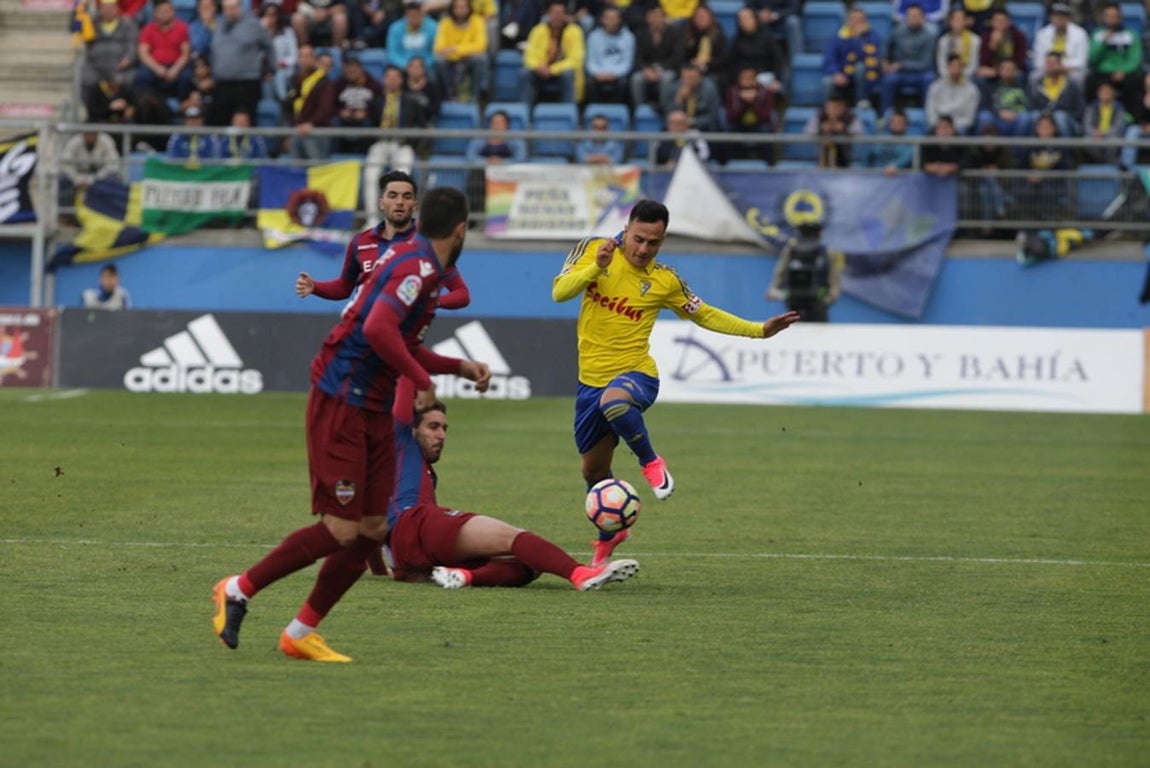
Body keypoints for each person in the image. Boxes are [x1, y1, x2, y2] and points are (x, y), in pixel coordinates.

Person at [212, 186, 490, 663]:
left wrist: (457, 367)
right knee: (341, 530)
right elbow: (377, 328)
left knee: (371, 529)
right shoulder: (416, 268)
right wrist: (422, 379)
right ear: (461, 229)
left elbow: (399, 338)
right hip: (341, 399)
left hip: (374, 405)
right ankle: (237, 588)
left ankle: (300, 632)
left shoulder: (422, 266)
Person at [550, 199, 800, 566]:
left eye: (654, 243)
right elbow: (560, 292)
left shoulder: (664, 280)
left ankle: (651, 462)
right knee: (593, 471)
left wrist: (759, 331)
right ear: (627, 228)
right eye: (638, 239)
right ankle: (611, 534)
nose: (643, 249)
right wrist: (595, 269)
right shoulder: (593, 250)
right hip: (589, 383)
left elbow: (705, 314)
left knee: (615, 402)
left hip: (637, 376)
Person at [378, 377, 640, 589]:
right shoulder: (401, 440)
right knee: (512, 537)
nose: (441, 435)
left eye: (445, 428)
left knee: (530, 564)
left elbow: (367, 523)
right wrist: (411, 329)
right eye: (433, 427)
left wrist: (381, 569)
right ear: (410, 429)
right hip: (415, 523)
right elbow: (404, 374)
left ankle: (463, 577)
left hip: (407, 557)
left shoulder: (413, 473)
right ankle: (581, 574)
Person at [362, 65, 427, 209]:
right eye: (388, 77)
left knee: (401, 179)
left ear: (401, 80)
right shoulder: (376, 101)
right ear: (383, 79)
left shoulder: (411, 101)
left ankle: (398, 218)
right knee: (370, 175)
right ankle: (371, 218)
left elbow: (422, 127)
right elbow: (370, 124)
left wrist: (411, 144)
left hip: (402, 144)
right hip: (380, 143)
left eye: (395, 77)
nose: (391, 80)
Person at [766, 207, 844, 322]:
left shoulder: (826, 252)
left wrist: (831, 296)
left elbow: (834, 278)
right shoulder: (792, 250)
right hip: (794, 302)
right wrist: (773, 290)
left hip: (818, 303)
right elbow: (781, 272)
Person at [208, 0, 274, 127]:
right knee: (218, 122)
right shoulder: (219, 25)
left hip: (246, 83)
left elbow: (269, 47)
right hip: (222, 84)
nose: (230, 11)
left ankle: (250, 147)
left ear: (240, 7)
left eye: (233, 7)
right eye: (227, 8)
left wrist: (271, 69)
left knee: (245, 122)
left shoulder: (253, 24)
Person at [520, 1, 585, 106]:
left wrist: (552, 69)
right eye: (554, 13)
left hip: (560, 72)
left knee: (568, 74)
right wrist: (538, 66)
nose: (557, 17)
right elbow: (529, 55)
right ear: (547, 14)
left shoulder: (575, 31)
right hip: (541, 70)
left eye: (560, 13)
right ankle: (526, 112)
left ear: (565, 15)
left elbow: (575, 60)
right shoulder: (538, 30)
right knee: (525, 73)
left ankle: (569, 111)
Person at [1087, 3, 1143, 115]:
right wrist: (1103, 42)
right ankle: (1094, 117)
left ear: (1120, 17)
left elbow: (1135, 58)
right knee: (1090, 81)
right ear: (1104, 17)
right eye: (1109, 16)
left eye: (1114, 16)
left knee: (1134, 83)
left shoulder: (1131, 35)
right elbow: (1092, 58)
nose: (1112, 19)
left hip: (1125, 73)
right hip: (1104, 73)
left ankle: (1131, 116)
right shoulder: (1097, 35)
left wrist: (1123, 71)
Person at [81, 0, 138, 109]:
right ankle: (92, 110)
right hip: (96, 65)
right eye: (105, 8)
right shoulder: (93, 23)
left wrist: (128, 58)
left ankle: (122, 111)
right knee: (86, 79)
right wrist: (80, 9)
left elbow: (132, 43)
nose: (108, 11)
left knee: (129, 80)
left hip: (119, 65)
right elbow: (78, 30)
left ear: (117, 9)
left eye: (111, 8)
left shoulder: (126, 23)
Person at [822, 6, 883, 107]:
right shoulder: (838, 37)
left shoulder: (873, 37)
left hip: (864, 76)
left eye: (861, 20)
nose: (857, 23)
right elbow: (830, 58)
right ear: (847, 21)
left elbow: (871, 60)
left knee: (860, 67)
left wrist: (857, 38)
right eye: (854, 19)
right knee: (827, 82)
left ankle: (862, 103)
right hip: (842, 74)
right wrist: (836, 73)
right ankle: (828, 111)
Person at [881, 3, 935, 112]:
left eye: (916, 16)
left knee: (929, 78)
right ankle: (884, 115)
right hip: (900, 74)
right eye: (910, 15)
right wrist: (885, 61)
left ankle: (927, 114)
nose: (913, 18)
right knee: (890, 79)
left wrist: (901, 65)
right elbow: (886, 49)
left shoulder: (929, 37)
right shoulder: (897, 32)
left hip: (920, 73)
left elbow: (925, 63)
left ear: (923, 18)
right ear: (905, 17)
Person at [135, 0, 193, 100]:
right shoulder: (148, 29)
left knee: (186, 77)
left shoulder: (182, 27)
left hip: (176, 65)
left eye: (167, 11)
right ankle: (149, 105)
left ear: (173, 12)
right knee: (142, 76)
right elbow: (143, 53)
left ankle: (182, 106)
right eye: (161, 11)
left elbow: (185, 53)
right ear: (155, 13)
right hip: (154, 66)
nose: (164, 14)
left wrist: (175, 69)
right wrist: (157, 68)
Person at [629, 4, 683, 112]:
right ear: (647, 18)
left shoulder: (675, 33)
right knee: (636, 79)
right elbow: (638, 57)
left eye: (659, 16)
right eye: (653, 16)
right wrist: (645, 69)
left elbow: (677, 57)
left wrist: (660, 69)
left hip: (667, 69)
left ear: (664, 18)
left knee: (666, 79)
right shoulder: (641, 34)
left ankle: (665, 110)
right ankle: (640, 110)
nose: (656, 19)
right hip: (647, 70)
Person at [287, 44, 337, 159]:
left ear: (314, 60)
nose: (304, 60)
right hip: (297, 130)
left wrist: (311, 123)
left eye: (308, 56)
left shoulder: (324, 81)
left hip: (316, 131)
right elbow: (289, 105)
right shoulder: (294, 80)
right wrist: (291, 127)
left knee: (316, 168)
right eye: (301, 56)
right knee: (296, 169)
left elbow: (325, 108)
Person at [433, 0, 489, 102]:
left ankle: (475, 96)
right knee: (439, 60)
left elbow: (481, 45)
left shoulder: (477, 21)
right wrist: (463, 51)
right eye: (457, 7)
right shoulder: (445, 22)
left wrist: (456, 49)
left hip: (469, 58)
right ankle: (450, 94)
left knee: (480, 58)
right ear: (452, 9)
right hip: (451, 59)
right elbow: (439, 47)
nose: (461, 10)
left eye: (464, 7)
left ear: (469, 8)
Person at [724, 65, 778, 162]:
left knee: (767, 130)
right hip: (739, 124)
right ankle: (728, 163)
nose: (747, 81)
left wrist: (753, 103)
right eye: (744, 78)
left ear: (756, 79)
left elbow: (766, 116)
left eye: (750, 78)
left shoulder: (766, 92)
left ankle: (770, 165)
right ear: (739, 79)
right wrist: (744, 103)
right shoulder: (732, 92)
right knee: (728, 129)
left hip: (759, 124)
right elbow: (731, 116)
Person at [584, 6, 635, 105]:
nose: (612, 21)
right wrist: (598, 73)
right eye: (608, 18)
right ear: (602, 20)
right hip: (599, 73)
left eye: (614, 18)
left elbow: (627, 62)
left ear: (620, 20)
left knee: (624, 83)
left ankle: (619, 111)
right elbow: (590, 61)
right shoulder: (593, 36)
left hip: (618, 74)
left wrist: (614, 74)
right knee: (589, 83)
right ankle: (595, 111)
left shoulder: (628, 37)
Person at [1028, 51, 1085, 137]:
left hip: (1067, 119)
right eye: (1048, 63)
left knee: (1060, 116)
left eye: (1054, 63)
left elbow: (1079, 108)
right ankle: (1031, 149)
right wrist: (1045, 117)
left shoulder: (1071, 85)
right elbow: (1032, 105)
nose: (1050, 66)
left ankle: (1066, 149)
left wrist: (1067, 116)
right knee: (1033, 116)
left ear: (1060, 64)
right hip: (1043, 116)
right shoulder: (1038, 84)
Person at [1031, 3, 1089, 88]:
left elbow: (1081, 61)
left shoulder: (1080, 33)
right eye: (1056, 16)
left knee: (1077, 78)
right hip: (1047, 68)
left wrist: (1061, 67)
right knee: (1034, 77)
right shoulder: (1042, 33)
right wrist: (1051, 67)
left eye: (1062, 16)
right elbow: (1038, 60)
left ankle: (1076, 101)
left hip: (1071, 69)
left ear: (1068, 18)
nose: (1059, 19)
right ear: (1051, 18)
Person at [333, 55, 383, 153]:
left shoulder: (373, 84)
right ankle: (336, 156)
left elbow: (379, 106)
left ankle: (365, 155)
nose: (351, 72)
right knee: (334, 122)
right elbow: (330, 104)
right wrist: (340, 112)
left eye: (354, 69)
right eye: (348, 70)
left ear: (361, 69)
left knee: (370, 125)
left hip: (365, 119)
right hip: (344, 119)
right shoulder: (338, 84)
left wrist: (367, 113)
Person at [925, 54, 980, 134]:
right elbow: (930, 111)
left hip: (959, 126)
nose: (955, 68)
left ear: (962, 68)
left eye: (958, 66)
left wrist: (951, 127)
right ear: (948, 67)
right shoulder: (935, 87)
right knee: (929, 130)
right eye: (952, 65)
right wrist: (941, 126)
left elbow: (969, 118)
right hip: (939, 126)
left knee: (962, 131)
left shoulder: (972, 89)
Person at [661, 63, 723, 132]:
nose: (688, 81)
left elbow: (713, 117)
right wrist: (678, 100)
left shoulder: (709, 89)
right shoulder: (672, 89)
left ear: (700, 77)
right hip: (678, 128)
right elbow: (668, 114)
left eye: (692, 78)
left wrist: (693, 121)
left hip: (703, 129)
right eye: (685, 78)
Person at [804, 94, 862, 168]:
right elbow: (808, 133)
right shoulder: (819, 117)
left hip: (844, 160)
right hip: (821, 161)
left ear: (843, 107)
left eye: (836, 107)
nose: (833, 110)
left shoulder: (851, 117)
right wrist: (821, 129)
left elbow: (859, 136)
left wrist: (844, 130)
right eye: (830, 107)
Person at [59, 130, 121, 197]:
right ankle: (65, 207)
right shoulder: (74, 141)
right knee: (62, 179)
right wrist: (77, 179)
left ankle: (108, 207)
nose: (90, 137)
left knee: (113, 179)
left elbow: (113, 165)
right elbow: (65, 164)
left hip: (100, 176)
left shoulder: (106, 141)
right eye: (87, 134)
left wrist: (92, 180)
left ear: (97, 134)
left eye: (92, 134)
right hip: (78, 175)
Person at [1083, 81, 1130, 165]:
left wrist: (1104, 133)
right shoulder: (1091, 107)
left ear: (1113, 93)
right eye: (1103, 91)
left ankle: (1111, 164)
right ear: (1098, 93)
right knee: (1086, 141)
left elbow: (1119, 126)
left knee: (1114, 141)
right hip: (1095, 135)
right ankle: (1101, 162)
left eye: (1108, 91)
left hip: (1111, 135)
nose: (1105, 93)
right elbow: (1087, 124)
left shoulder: (1119, 107)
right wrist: (1094, 132)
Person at [261, 3, 299, 105]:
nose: (271, 18)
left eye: (273, 15)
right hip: (266, 72)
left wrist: (283, 63)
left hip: (285, 70)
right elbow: (256, 55)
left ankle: (284, 102)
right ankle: (273, 108)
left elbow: (294, 56)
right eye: (268, 15)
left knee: (280, 75)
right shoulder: (259, 34)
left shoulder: (288, 32)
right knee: (267, 83)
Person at [386, 1, 438, 74]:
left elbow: (436, 51)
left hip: (426, 65)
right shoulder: (395, 28)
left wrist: (422, 66)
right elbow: (392, 53)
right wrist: (406, 65)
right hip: (402, 65)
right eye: (411, 15)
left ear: (423, 13)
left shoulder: (434, 27)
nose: (414, 18)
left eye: (417, 14)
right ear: (406, 15)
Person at [934, 7, 979, 81]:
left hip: (967, 76)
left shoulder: (974, 40)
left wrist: (961, 76)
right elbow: (941, 63)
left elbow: (974, 64)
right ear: (950, 22)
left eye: (960, 19)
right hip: (947, 76)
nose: (958, 23)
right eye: (955, 19)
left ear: (965, 21)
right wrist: (948, 76)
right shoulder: (944, 40)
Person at [863, 109, 913, 174]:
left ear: (906, 124)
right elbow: (871, 153)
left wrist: (894, 165)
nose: (896, 124)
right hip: (874, 174)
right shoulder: (880, 137)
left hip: (897, 176)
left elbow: (906, 157)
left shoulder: (911, 141)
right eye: (893, 121)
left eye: (899, 122)